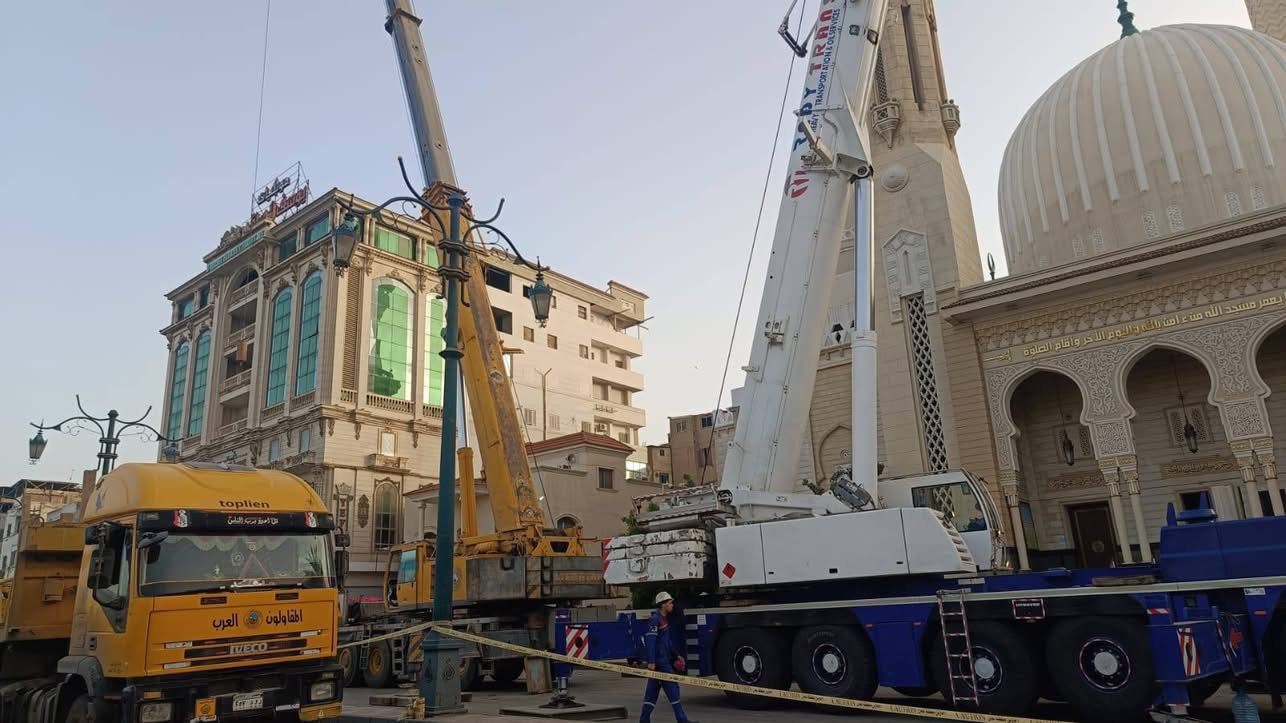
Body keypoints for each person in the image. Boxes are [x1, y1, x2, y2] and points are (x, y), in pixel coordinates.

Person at [640, 591, 696, 723]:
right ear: (663, 605)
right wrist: (651, 661)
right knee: (673, 688)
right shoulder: (655, 619)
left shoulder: (663, 619)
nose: (672, 605)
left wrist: (677, 655)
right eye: (670, 603)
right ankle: (682, 720)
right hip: (660, 663)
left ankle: (644, 720)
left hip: (662, 660)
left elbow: (667, 643)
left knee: (651, 694)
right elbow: (650, 642)